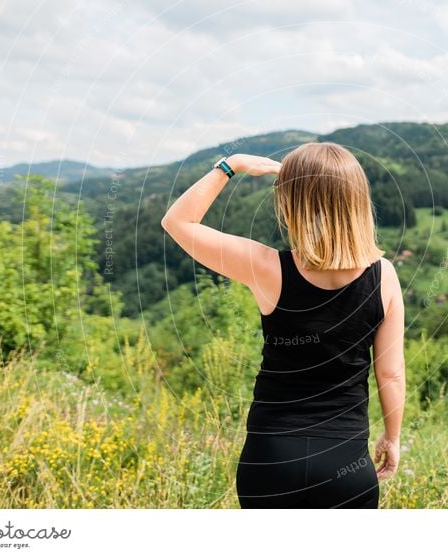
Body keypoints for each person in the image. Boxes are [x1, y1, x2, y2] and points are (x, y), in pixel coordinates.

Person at [161, 141, 406, 508]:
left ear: (291, 205)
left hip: (271, 462)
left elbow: (177, 222)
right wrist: (393, 437)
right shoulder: (383, 276)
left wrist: (231, 165)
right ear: (357, 202)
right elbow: (391, 374)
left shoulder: (267, 268)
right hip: (346, 467)